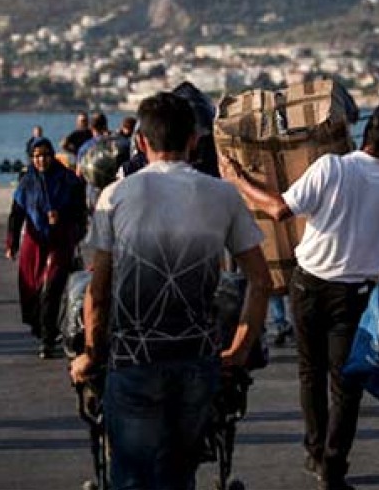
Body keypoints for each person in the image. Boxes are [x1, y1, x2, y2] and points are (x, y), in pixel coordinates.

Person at [70, 92, 271, 490]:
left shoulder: (115, 196)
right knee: (180, 475)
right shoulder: (223, 195)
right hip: (197, 360)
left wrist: (91, 355)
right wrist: (240, 350)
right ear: (195, 140)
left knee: (131, 475)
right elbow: (261, 280)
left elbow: (99, 289)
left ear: (141, 143)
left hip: (133, 359)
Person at [223, 102, 379, 490]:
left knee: (310, 373)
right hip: (356, 294)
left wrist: (237, 179)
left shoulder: (333, 167)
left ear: (366, 132)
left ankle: (314, 449)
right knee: (346, 386)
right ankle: (333, 465)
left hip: (308, 284)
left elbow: (279, 209)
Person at [6, 138, 87, 358]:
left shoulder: (68, 180)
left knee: (52, 288)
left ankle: (47, 339)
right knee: (30, 288)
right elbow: (17, 213)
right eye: (37, 156)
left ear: (52, 155)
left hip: (60, 241)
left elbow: (80, 212)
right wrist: (12, 243)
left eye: (45, 155)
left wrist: (63, 217)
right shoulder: (27, 181)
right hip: (34, 240)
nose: (41, 160)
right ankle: (40, 328)